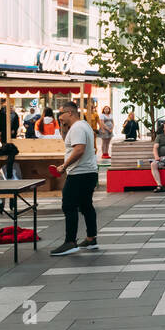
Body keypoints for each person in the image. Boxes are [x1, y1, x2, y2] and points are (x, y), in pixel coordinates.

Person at [50, 100, 100, 255]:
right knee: (86, 205)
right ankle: (91, 238)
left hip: (79, 173)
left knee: (69, 205)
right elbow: (68, 143)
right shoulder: (82, 125)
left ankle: (70, 242)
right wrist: (63, 127)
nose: (59, 117)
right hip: (89, 172)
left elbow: (79, 150)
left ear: (69, 112)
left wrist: (64, 166)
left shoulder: (78, 127)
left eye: (61, 114)